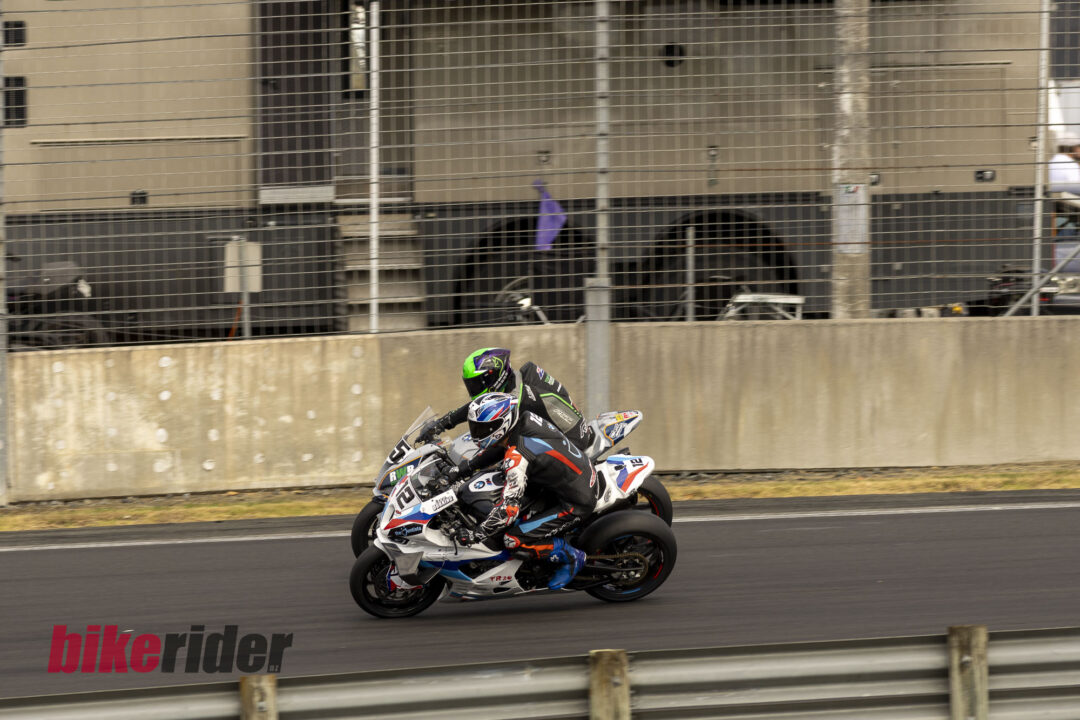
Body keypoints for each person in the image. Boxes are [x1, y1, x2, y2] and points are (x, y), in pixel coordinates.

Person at [449, 392, 598, 591]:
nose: (477, 432)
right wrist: (465, 469)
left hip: (575, 501)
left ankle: (571, 556)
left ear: (502, 423)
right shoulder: (525, 419)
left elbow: (507, 512)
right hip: (565, 478)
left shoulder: (517, 457)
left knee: (512, 539)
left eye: (483, 428)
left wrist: (475, 535)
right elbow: (499, 446)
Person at [418, 347, 598, 477]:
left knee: (504, 473)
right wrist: (443, 423)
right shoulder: (517, 379)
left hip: (572, 446)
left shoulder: (518, 400)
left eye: (476, 384)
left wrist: (467, 468)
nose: (472, 390)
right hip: (556, 430)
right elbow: (478, 406)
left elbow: (500, 445)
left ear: (494, 377)